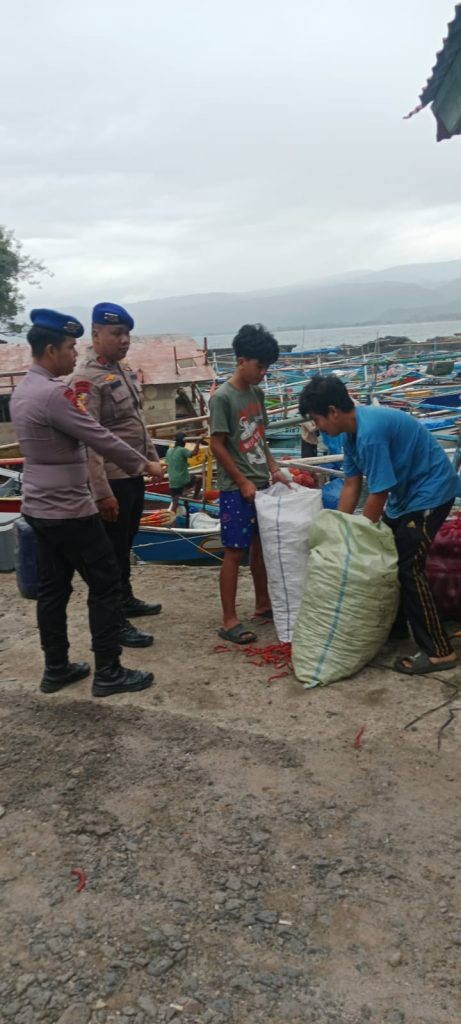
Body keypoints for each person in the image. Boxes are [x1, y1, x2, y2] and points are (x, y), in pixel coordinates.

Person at [10, 308, 162, 698]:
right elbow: (98, 436)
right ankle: (108, 670)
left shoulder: (24, 390)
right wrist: (143, 463)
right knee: (107, 582)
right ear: (49, 350)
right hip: (70, 508)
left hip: (37, 507)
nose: (74, 353)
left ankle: (56, 668)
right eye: (68, 346)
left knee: (53, 588)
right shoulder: (55, 394)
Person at [299, 374, 459, 676]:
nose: (318, 427)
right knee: (388, 555)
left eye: (317, 419)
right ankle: (395, 629)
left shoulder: (370, 432)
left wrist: (356, 542)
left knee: (409, 566)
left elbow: (379, 492)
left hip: (430, 493)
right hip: (405, 499)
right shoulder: (351, 436)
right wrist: (342, 531)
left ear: (333, 411)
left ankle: (439, 651)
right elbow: (350, 484)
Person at [71, 302, 164, 651]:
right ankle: (114, 620)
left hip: (132, 474)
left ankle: (125, 599)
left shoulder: (120, 369)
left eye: (127, 334)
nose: (124, 340)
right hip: (111, 479)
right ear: (95, 334)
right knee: (108, 553)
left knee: (124, 545)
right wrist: (100, 491)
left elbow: (136, 423)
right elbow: (88, 439)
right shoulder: (86, 378)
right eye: (116, 334)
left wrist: (151, 460)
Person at [210, 323, 289, 645]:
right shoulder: (222, 398)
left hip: (262, 485)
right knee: (233, 551)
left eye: (267, 367)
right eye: (260, 366)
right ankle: (229, 620)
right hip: (235, 488)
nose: (263, 373)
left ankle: (263, 603)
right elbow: (216, 444)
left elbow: (260, 438)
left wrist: (274, 469)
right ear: (242, 360)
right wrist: (241, 481)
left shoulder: (257, 394)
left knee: (261, 549)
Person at [165, 432, 202, 512]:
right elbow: (194, 453)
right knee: (200, 478)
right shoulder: (182, 450)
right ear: (183, 442)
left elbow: (167, 462)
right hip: (182, 480)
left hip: (172, 482)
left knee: (174, 505)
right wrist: (198, 441)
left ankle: (172, 521)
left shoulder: (169, 450)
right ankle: (195, 498)